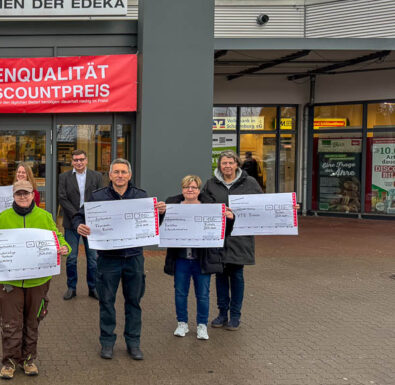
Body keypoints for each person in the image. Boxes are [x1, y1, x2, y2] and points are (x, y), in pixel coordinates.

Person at [73, 158, 166, 360]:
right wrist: (79, 225)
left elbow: (151, 224)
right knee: (106, 302)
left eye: (124, 172)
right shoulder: (98, 197)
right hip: (108, 259)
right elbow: (79, 216)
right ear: (110, 175)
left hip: (134, 258)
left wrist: (161, 214)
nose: (120, 175)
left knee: (134, 302)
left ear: (129, 175)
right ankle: (107, 343)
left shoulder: (141, 196)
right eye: (116, 172)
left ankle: (133, 343)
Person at [0, 180, 70, 380]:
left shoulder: (45, 217)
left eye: (26, 193)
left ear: (33, 194)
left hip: (38, 281)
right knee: (10, 323)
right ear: (13, 196)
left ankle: (28, 360)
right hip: (10, 281)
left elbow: (58, 238)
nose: (22, 197)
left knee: (32, 322)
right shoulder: (4, 217)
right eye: (19, 193)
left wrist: (65, 248)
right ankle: (10, 362)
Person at [161, 175, 234, 341]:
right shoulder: (172, 206)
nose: (190, 190)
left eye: (193, 187)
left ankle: (202, 325)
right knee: (180, 293)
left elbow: (223, 231)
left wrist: (230, 219)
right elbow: (160, 226)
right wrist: (160, 214)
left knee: (203, 294)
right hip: (180, 259)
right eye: (186, 187)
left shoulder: (210, 207)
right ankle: (182, 323)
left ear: (199, 190)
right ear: (182, 189)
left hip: (202, 259)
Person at [201, 150, 262, 331]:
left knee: (236, 276)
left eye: (231, 162)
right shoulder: (211, 184)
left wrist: (288, 208)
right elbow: (202, 205)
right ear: (219, 165)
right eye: (224, 163)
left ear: (237, 164)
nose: (227, 166)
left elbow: (263, 205)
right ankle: (222, 313)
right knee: (220, 276)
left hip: (239, 238)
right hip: (218, 238)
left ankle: (235, 315)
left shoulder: (250, 183)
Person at [58, 149, 102, 300]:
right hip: (71, 223)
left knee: (93, 258)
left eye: (81, 159)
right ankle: (71, 287)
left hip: (91, 224)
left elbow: (99, 197)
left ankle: (93, 287)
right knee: (71, 257)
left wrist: (87, 214)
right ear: (72, 162)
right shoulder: (64, 177)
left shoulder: (97, 176)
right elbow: (62, 198)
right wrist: (77, 215)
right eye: (76, 160)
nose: (79, 162)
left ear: (86, 160)